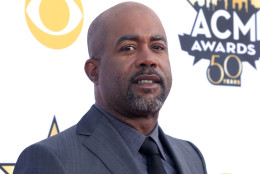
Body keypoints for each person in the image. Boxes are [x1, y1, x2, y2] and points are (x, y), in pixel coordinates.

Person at [14, 2, 207, 174]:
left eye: (157, 47)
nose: (149, 59)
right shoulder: (51, 158)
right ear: (94, 71)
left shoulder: (191, 157)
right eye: (129, 48)